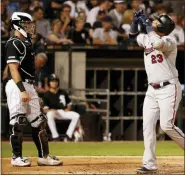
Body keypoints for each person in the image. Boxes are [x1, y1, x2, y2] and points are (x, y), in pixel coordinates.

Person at [129, 11, 185, 173]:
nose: (151, 22)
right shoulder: (148, 37)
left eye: (155, 22)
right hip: (152, 90)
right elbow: (132, 37)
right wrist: (135, 22)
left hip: (169, 88)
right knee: (147, 125)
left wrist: (146, 25)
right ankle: (149, 164)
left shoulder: (169, 40)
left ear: (161, 26)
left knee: (167, 126)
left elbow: (158, 44)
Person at [5, 12, 61, 167]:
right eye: (26, 24)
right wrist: (22, 90)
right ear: (18, 24)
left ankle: (44, 156)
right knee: (18, 121)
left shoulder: (27, 43)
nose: (30, 27)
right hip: (18, 85)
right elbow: (13, 69)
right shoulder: (13, 43)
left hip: (28, 84)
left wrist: (31, 89)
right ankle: (16, 157)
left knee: (39, 121)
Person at [43, 74, 80, 141]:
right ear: (49, 82)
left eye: (56, 81)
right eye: (52, 81)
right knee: (49, 115)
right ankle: (55, 136)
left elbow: (69, 103)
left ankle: (68, 135)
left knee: (76, 115)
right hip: (53, 112)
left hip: (63, 112)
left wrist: (68, 108)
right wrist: (52, 110)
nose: (54, 83)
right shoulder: (46, 94)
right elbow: (45, 109)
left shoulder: (63, 92)